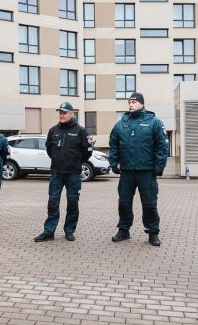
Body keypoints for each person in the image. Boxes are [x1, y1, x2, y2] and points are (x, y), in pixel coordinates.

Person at [108, 92, 169, 246]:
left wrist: (159, 167)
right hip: (127, 172)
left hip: (146, 172)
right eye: (129, 102)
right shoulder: (121, 124)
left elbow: (162, 146)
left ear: (142, 103)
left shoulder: (154, 122)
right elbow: (113, 143)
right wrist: (113, 162)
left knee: (149, 204)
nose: (130, 104)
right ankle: (124, 230)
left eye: (134, 102)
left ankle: (152, 233)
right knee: (124, 202)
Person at [34, 101, 93, 242]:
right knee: (52, 203)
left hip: (73, 173)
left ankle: (69, 231)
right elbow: (49, 150)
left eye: (64, 112)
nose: (61, 115)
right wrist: (57, 160)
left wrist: (76, 162)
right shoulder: (53, 131)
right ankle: (49, 232)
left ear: (71, 114)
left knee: (72, 203)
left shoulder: (81, 131)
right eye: (60, 112)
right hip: (56, 173)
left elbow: (87, 152)